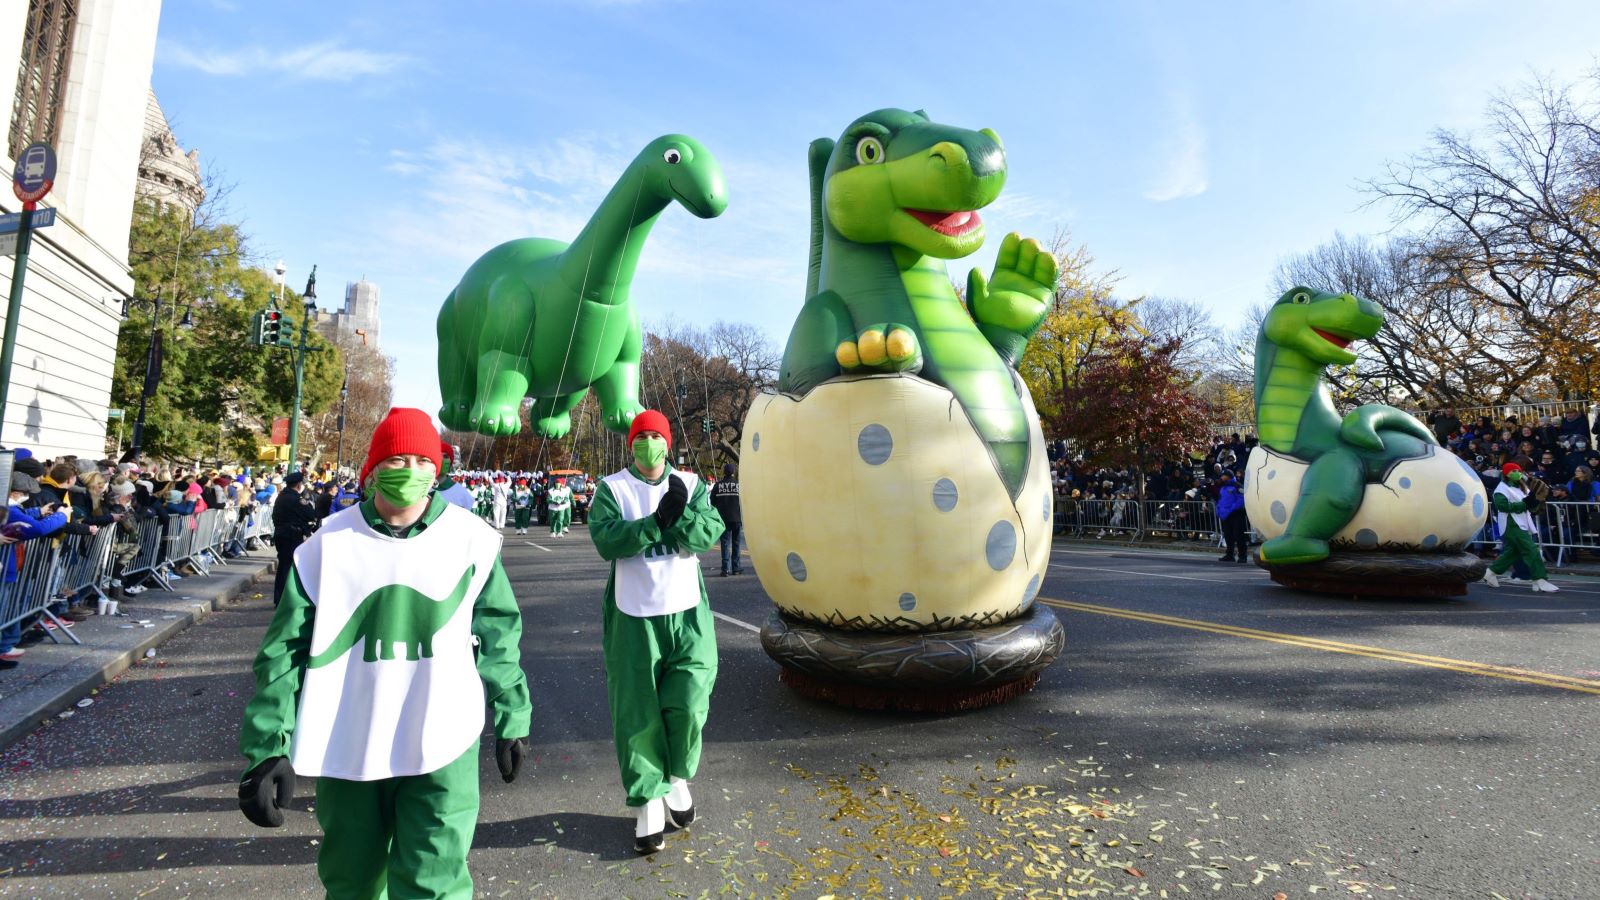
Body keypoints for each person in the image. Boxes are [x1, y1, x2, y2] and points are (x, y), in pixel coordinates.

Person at [238, 407, 531, 898]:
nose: (409, 471)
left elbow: (499, 635)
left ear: (437, 469)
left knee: (434, 881)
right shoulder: (326, 546)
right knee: (353, 881)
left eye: (421, 459)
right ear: (373, 468)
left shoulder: (472, 541)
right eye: (396, 459)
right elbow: (283, 653)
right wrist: (266, 748)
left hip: (443, 739)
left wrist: (512, 715)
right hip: (348, 738)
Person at [588, 410, 724, 854]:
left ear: (668, 442)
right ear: (632, 443)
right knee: (637, 711)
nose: (649, 443)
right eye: (641, 436)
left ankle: (676, 778)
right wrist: (653, 525)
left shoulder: (689, 483)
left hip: (687, 613)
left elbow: (709, 533)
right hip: (633, 615)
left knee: (688, 704)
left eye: (656, 436)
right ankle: (648, 799)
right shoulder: (613, 488)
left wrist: (678, 515)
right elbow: (608, 540)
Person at [1480, 462, 1558, 592]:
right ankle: (1540, 579)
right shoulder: (1501, 489)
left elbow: (1529, 504)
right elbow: (1503, 507)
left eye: (1518, 470)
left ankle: (1490, 572)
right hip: (1511, 523)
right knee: (1531, 549)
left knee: (1513, 552)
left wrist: (1535, 501)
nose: (1517, 473)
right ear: (1506, 474)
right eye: (1513, 471)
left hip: (1521, 522)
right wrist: (1524, 504)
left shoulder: (1522, 487)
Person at [270, 472, 319, 605]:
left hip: (280, 533)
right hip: (292, 534)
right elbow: (310, 514)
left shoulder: (281, 496)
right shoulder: (296, 499)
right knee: (289, 567)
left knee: (283, 566)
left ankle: (279, 597)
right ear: (298, 485)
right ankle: (286, 599)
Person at [710, 462, 743, 576]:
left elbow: (712, 502)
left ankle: (725, 569)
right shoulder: (739, 486)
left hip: (723, 519)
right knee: (736, 543)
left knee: (725, 544)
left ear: (724, 472)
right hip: (737, 518)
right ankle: (736, 568)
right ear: (733, 473)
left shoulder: (718, 485)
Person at [1214, 471, 1248, 563]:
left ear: (1228, 476)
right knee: (1228, 536)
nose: (1221, 477)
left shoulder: (1237, 485)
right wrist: (1218, 509)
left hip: (1236, 514)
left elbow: (1241, 499)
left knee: (1239, 535)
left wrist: (1230, 509)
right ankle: (1230, 555)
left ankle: (1242, 556)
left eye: (1223, 475)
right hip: (1226, 515)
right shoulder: (1223, 487)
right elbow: (1220, 499)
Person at [435, 443, 477, 511]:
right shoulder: (421, 489)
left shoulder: (462, 493)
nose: (441, 459)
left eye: (445, 456)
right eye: (438, 455)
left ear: (450, 462)